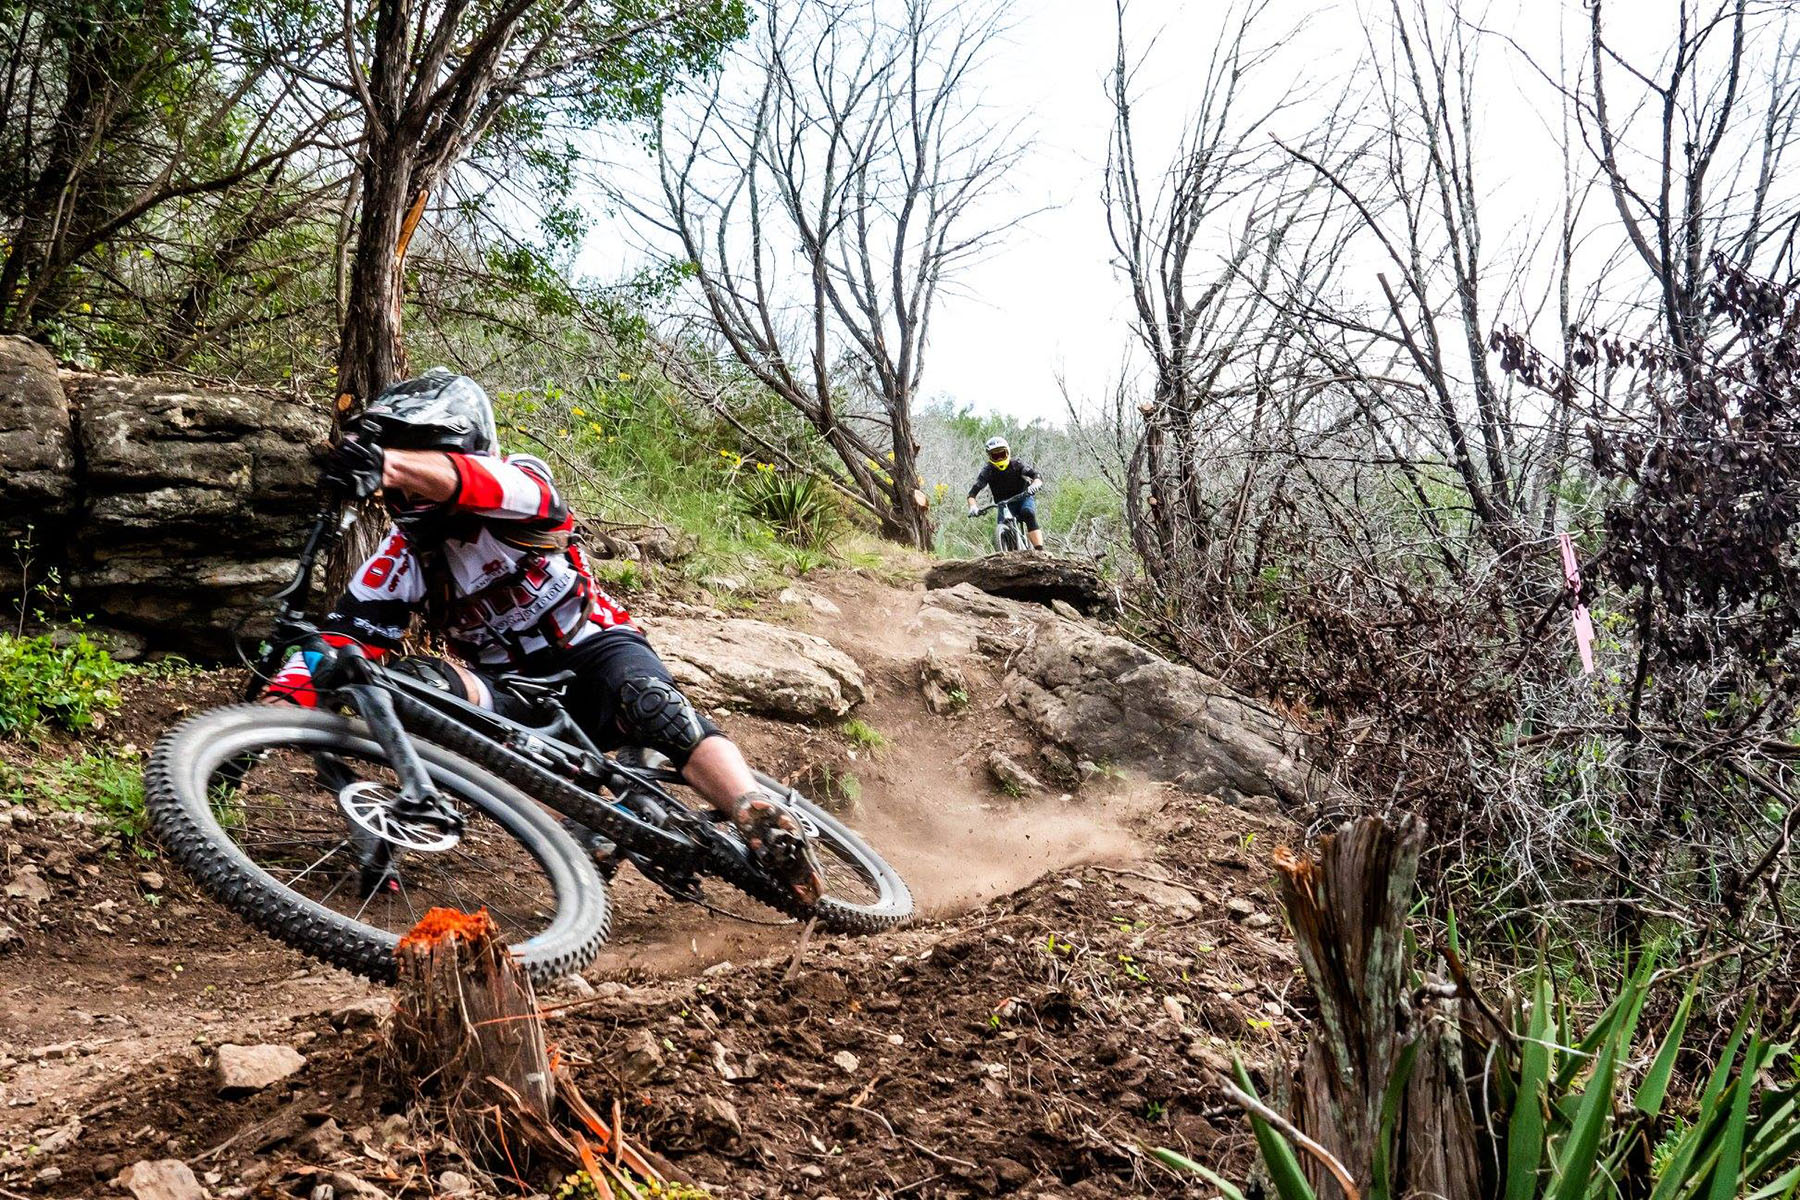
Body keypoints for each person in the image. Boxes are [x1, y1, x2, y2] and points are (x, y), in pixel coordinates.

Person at [264, 368, 822, 901]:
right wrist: (251, 727)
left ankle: (757, 814)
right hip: (511, 693)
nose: (405, 492)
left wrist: (388, 464)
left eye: (420, 458)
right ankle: (544, 821)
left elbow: (494, 489)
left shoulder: (522, 483)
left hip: (596, 652)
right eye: (398, 470)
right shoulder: (401, 559)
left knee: (655, 707)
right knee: (410, 686)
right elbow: (339, 649)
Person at [965, 435, 1044, 550]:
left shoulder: (1016, 464)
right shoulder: (987, 471)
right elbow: (972, 494)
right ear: (990, 457)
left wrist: (1035, 484)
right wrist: (973, 507)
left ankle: (1040, 551)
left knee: (1028, 513)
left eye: (1001, 454)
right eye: (995, 456)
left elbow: (1035, 475)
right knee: (1001, 526)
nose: (999, 459)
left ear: (1008, 452)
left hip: (1023, 497)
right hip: (1003, 503)